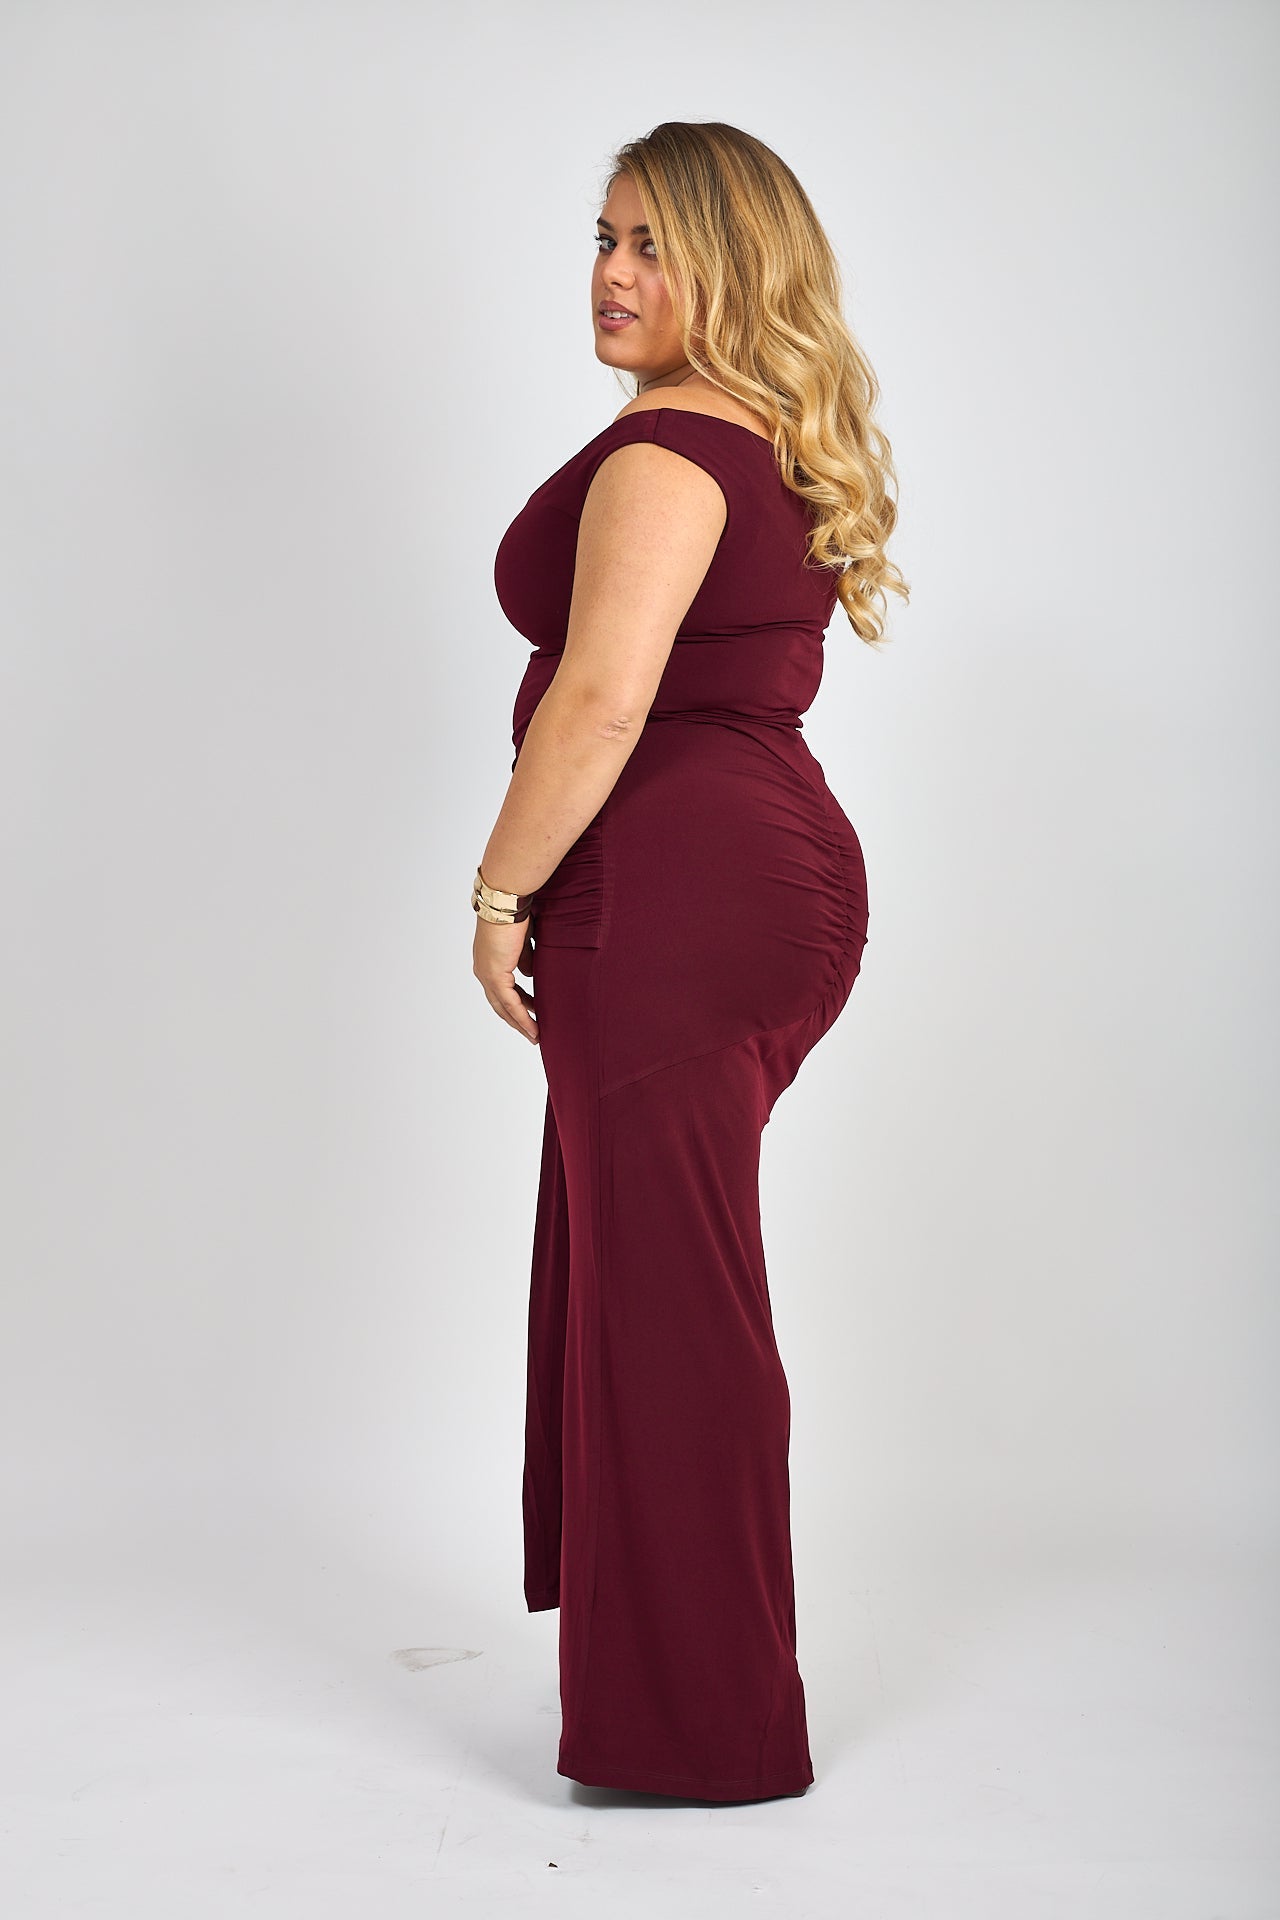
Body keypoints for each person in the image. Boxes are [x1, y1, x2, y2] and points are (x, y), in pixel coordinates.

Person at [472, 121, 908, 1804]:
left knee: (671, 1306)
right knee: (669, 1288)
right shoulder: (755, 436)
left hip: (675, 901)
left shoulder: (666, 453)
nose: (611, 272)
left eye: (652, 242)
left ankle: (705, 1730)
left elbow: (601, 703)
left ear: (734, 264)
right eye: (603, 236)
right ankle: (675, 1695)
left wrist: (497, 893)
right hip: (741, 885)